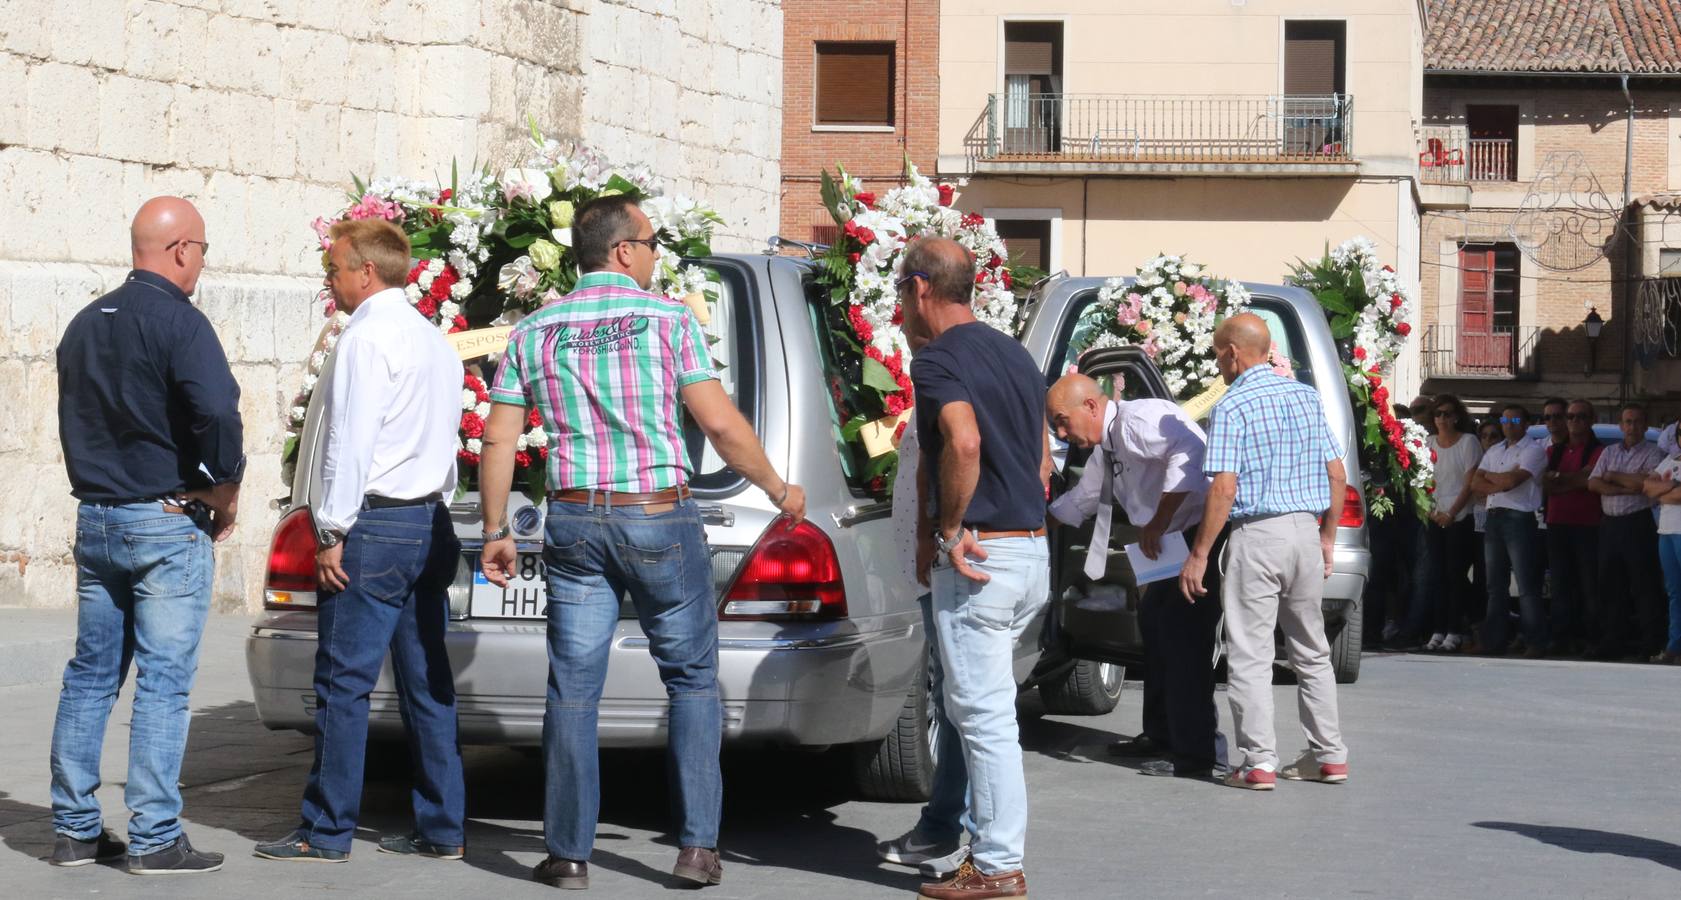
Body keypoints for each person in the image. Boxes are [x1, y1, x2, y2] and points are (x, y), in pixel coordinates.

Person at [478, 195, 805, 890]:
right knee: (689, 680)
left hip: (572, 521)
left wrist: (495, 528)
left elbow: (499, 435)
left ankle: (568, 854)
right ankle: (694, 848)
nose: (657, 254)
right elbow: (718, 425)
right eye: (652, 242)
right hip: (656, 514)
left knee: (572, 688)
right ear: (623, 250)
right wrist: (779, 490)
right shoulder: (666, 321)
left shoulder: (533, 330)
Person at [254, 219, 468, 864]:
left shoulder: (365, 338)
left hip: (374, 524)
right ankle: (443, 827)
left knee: (343, 681)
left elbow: (351, 442)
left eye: (336, 270)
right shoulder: (435, 342)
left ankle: (325, 831)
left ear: (366, 272)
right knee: (426, 681)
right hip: (429, 521)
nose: (332, 282)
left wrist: (332, 530)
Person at [49, 197, 243, 875]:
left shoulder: (82, 324)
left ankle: (73, 829)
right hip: (163, 520)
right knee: (163, 681)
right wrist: (223, 483)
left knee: (91, 675)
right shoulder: (180, 324)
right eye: (204, 251)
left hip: (96, 517)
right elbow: (217, 409)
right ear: (183, 249)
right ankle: (155, 835)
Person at [899, 236, 1049, 900]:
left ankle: (994, 867)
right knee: (989, 714)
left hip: (981, 554)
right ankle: (982, 854)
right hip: (1028, 550)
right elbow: (1042, 457)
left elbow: (962, 439)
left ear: (919, 288)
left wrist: (950, 527)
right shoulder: (1012, 352)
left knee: (983, 718)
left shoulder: (937, 362)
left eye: (900, 290)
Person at [1179, 313, 1348, 791]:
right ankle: (1330, 756)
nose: (1218, 362)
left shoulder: (1233, 406)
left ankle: (1258, 762)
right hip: (1305, 532)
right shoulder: (1306, 397)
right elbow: (1337, 475)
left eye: (1217, 352)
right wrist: (1328, 536)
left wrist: (1199, 554)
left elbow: (1224, 489)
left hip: (1257, 535)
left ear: (1233, 352)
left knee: (1251, 654)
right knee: (1311, 650)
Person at [1046, 372, 1226, 778]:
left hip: (1190, 538)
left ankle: (1199, 753)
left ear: (1090, 405)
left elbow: (1193, 456)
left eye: (1062, 420)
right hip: (1162, 548)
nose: (1061, 432)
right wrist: (1035, 525)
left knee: (1185, 647)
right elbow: (1084, 499)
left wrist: (1159, 520)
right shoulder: (1104, 449)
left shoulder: (1138, 420)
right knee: (1157, 635)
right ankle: (1161, 735)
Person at [878, 372, 973, 881]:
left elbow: (964, 449)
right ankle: (949, 826)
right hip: (935, 562)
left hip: (945, 560)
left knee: (961, 704)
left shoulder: (955, 382)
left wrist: (940, 532)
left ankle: (948, 829)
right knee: (958, 702)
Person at [1587, 403, 1666, 660]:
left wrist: (1613, 475)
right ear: (1621, 426)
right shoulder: (1609, 451)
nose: (1632, 427)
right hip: (1609, 524)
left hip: (1637, 524)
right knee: (1610, 587)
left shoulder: (1655, 453)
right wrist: (1623, 484)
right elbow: (1594, 483)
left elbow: (1646, 485)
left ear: (1645, 425)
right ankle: (1612, 642)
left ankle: (1650, 644)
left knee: (1644, 587)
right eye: (1628, 422)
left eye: (1637, 422)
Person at [1469, 404, 1548, 657]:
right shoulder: (1494, 449)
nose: (1508, 424)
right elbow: (1475, 483)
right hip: (1494, 517)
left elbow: (1514, 481)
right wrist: (1500, 481)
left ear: (1526, 423)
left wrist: (1494, 479)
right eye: (1504, 419)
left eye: (1514, 419)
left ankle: (1535, 641)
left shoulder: (1534, 450)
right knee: (1495, 585)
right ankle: (1495, 640)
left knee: (1526, 584)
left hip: (1519, 518)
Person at [1416, 395, 1482, 653]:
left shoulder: (1468, 442)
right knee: (1436, 576)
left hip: (1459, 517)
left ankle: (1455, 630)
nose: (1442, 418)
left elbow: (1469, 483)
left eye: (1447, 413)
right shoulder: (1428, 443)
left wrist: (1451, 513)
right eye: (1437, 414)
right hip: (1434, 516)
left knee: (1455, 575)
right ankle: (1437, 629)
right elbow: (1422, 480)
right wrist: (1431, 511)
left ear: (1457, 416)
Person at [1539, 399, 1602, 655]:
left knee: (1589, 585)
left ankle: (1592, 639)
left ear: (1591, 420)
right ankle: (1562, 637)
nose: (1575, 421)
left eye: (1582, 417)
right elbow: (1546, 483)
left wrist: (1561, 481)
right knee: (1561, 585)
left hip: (1587, 526)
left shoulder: (1599, 451)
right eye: (1572, 416)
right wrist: (1572, 481)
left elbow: (1588, 480)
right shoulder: (1553, 452)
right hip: (1557, 524)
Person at [1646, 443, 1681, 664]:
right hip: (1666, 531)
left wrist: (1662, 492)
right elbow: (1647, 487)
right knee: (1674, 592)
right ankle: (1674, 646)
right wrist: (1671, 487)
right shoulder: (1670, 459)